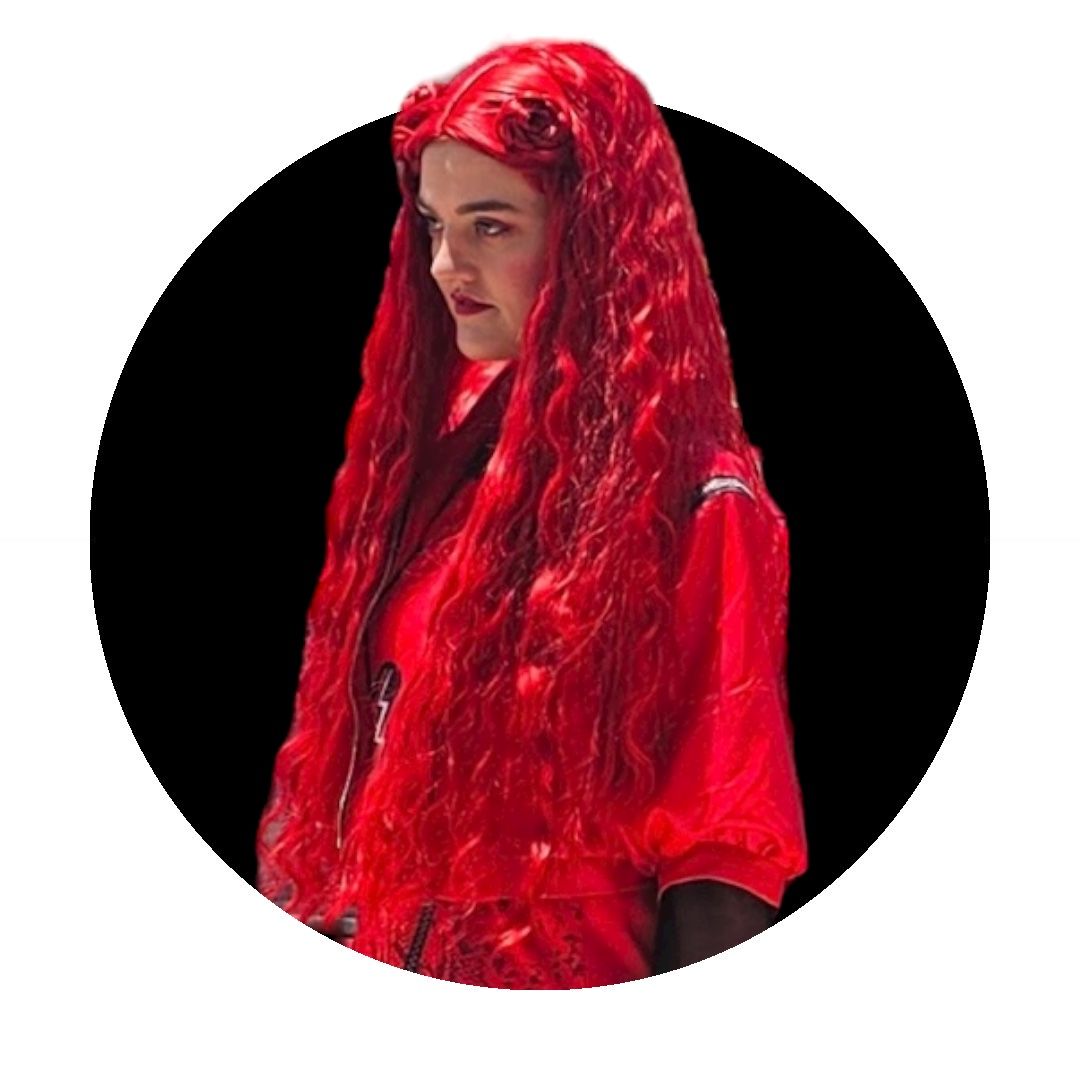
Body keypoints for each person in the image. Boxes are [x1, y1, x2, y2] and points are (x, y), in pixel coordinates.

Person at [256, 39, 808, 988]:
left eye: (490, 225)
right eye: (434, 224)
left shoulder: (698, 501)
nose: (445, 263)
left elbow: (722, 845)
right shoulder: (446, 470)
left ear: (591, 238)